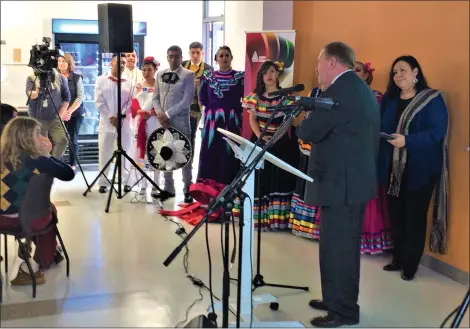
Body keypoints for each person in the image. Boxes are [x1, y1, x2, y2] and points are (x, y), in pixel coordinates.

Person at [298, 42, 380, 327]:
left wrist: (306, 115)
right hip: (348, 183)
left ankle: (343, 311)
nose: (316, 68)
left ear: (332, 62)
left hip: (342, 185)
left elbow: (310, 130)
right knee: (338, 247)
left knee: (340, 250)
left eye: (319, 62)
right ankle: (335, 298)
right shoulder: (358, 89)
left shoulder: (338, 93)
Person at [378, 55, 449, 280]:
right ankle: (397, 258)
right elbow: (380, 126)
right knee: (396, 215)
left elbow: (436, 133)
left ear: (415, 72)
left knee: (415, 217)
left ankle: (410, 265)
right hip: (393, 169)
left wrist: (406, 141)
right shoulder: (390, 99)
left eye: (403, 70)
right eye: (395, 72)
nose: (398, 75)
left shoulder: (432, 99)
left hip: (420, 169)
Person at [0, 117, 75, 285]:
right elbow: (68, 175)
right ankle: (32, 267)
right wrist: (47, 154)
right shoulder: (38, 161)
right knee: (48, 213)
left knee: (44, 210)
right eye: (38, 133)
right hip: (24, 221)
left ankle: (36, 247)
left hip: (2, 219)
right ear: (26, 138)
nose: (42, 137)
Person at [241, 60, 297, 231]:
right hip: (259, 141)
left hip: (280, 143)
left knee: (278, 179)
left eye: (272, 71)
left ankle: (277, 220)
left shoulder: (285, 98)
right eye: (265, 72)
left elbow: (287, 122)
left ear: (277, 74)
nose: (269, 76)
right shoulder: (255, 96)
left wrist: (274, 139)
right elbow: (252, 119)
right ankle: (257, 218)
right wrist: (260, 136)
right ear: (261, 77)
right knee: (259, 178)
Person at [352, 60, 393, 254]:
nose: (354, 73)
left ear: (367, 75)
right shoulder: (344, 95)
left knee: (368, 195)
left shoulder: (376, 96)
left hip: (368, 149)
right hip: (347, 151)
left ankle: (368, 240)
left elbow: (378, 124)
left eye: (358, 70)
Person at [152, 45, 195, 203]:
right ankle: (168, 188)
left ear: (181, 57)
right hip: (163, 122)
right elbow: (155, 97)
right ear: (167, 57)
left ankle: (188, 190)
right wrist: (160, 114)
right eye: (170, 56)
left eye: (176, 56)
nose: (173, 58)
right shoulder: (160, 74)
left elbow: (187, 100)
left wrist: (167, 114)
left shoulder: (188, 75)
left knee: (185, 157)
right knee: (166, 155)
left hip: (180, 121)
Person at [197, 46, 244, 187]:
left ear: (231, 58)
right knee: (210, 152)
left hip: (232, 121)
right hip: (212, 122)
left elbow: (246, 96)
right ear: (216, 58)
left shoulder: (240, 77)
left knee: (229, 152)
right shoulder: (208, 76)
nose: (224, 58)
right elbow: (202, 98)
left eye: (227, 55)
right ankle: (208, 190)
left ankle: (229, 188)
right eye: (221, 55)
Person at [94, 53, 134, 194]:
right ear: (111, 63)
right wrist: (111, 116)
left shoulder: (129, 82)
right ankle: (103, 182)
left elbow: (130, 101)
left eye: (124, 62)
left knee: (126, 151)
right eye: (119, 62)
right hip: (107, 123)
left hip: (124, 123)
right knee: (105, 151)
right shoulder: (101, 80)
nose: (122, 65)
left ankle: (126, 181)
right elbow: (99, 101)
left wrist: (121, 115)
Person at [289, 83, 323, 239]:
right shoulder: (314, 91)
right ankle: (303, 226)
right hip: (308, 144)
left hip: (324, 148)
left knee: (317, 183)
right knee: (305, 182)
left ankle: (316, 228)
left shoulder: (338, 93)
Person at [130, 56, 161, 195]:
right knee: (141, 153)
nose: (146, 72)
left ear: (155, 70)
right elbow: (133, 103)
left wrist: (152, 112)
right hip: (141, 122)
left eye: (149, 69)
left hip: (155, 121)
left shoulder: (160, 86)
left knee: (155, 151)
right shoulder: (138, 86)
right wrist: (140, 111)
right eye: (144, 69)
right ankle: (142, 183)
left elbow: (162, 104)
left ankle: (156, 183)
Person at [25, 69, 71, 159]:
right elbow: (30, 94)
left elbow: (67, 98)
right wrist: (37, 90)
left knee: (63, 140)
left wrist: (60, 115)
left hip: (55, 117)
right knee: (40, 146)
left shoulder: (60, 78)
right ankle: (42, 166)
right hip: (37, 118)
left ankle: (54, 162)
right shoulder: (32, 78)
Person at [182, 41, 214, 152]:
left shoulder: (208, 69)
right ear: (189, 53)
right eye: (193, 52)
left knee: (191, 134)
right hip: (180, 106)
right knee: (178, 132)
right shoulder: (182, 65)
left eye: (198, 53)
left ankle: (189, 159)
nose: (195, 55)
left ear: (202, 53)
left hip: (196, 107)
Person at [58, 53, 85, 171]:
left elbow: (80, 97)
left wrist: (68, 112)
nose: (61, 64)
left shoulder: (77, 78)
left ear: (69, 63)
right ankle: (58, 164)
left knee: (73, 140)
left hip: (75, 114)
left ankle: (72, 165)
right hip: (59, 114)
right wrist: (62, 113)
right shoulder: (54, 78)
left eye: (63, 61)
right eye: (59, 61)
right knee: (59, 139)